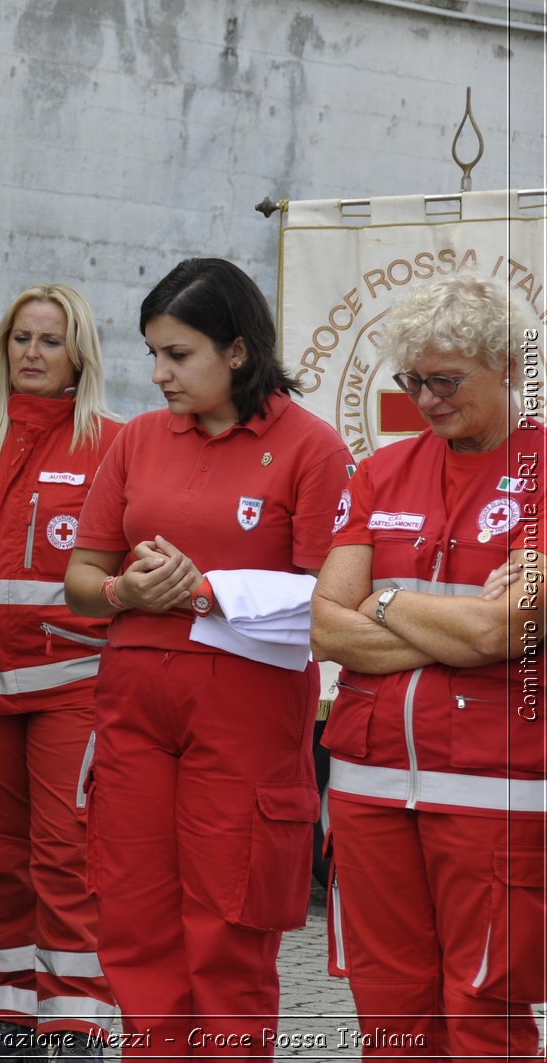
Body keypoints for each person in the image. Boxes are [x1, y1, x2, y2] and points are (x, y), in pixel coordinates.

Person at [63, 258, 351, 1056]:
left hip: (246, 720)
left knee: (226, 932)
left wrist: (211, 590)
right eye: (152, 353)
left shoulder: (311, 447)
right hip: (135, 713)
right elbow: (81, 581)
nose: (158, 375)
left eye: (178, 355)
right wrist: (126, 593)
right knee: (134, 921)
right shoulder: (140, 440)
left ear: (237, 350)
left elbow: (334, 600)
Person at [309, 273, 545, 1058]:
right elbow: (323, 626)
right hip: (369, 785)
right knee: (392, 1015)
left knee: (485, 1015)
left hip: (495, 786)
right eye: (412, 381)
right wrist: (453, 621)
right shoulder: (380, 471)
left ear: (508, 366)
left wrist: (380, 600)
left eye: (445, 380)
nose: (426, 400)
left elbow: (510, 627)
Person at [0, 285, 120, 1061]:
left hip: (70, 684)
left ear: (79, 353)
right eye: (21, 338)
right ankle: (7, 1012)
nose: (33, 353)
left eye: (51, 339)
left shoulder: (114, 445)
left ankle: (75, 1018)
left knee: (66, 852)